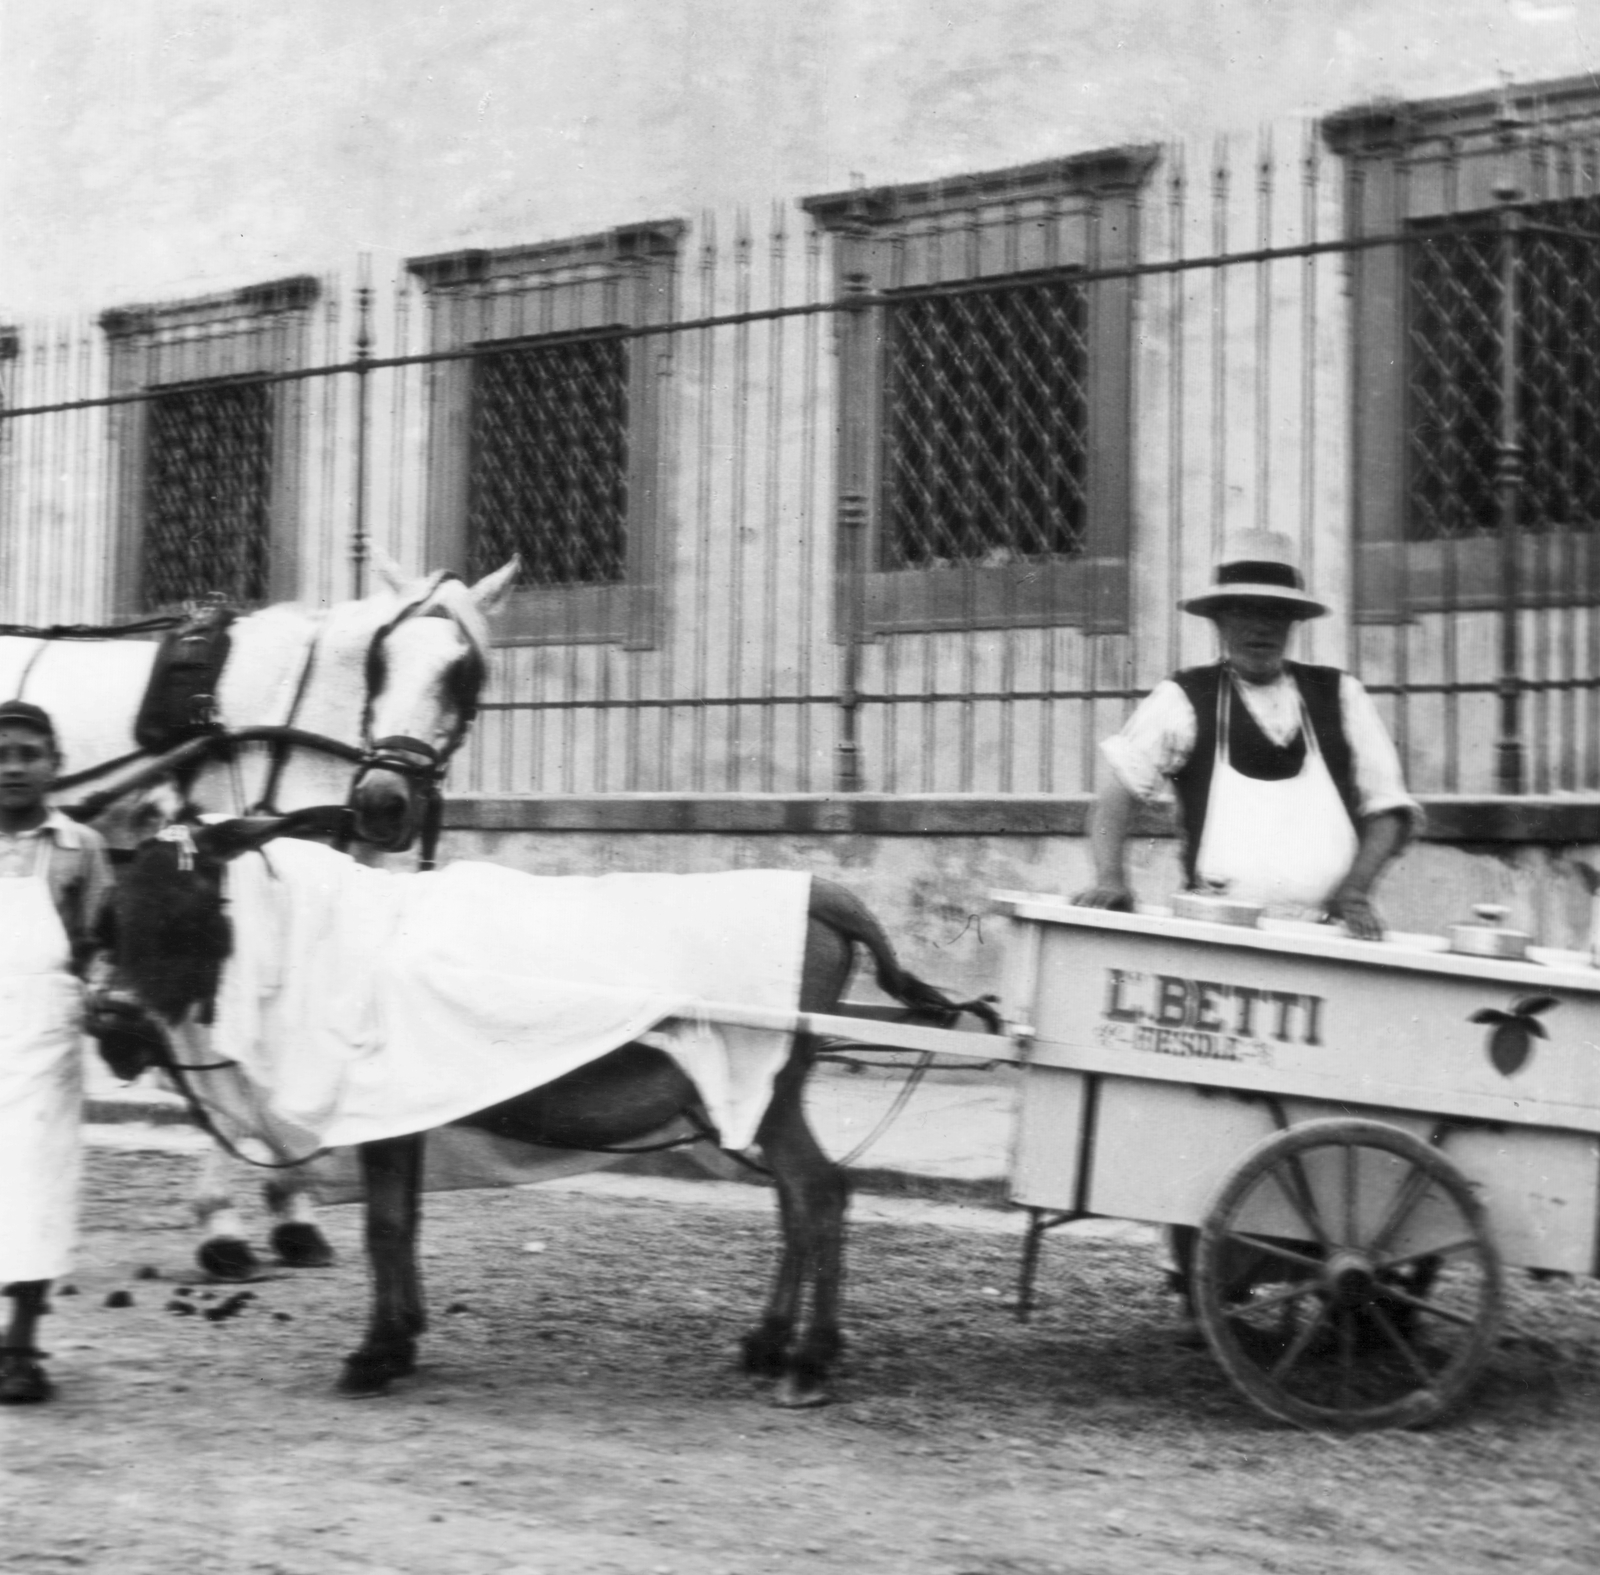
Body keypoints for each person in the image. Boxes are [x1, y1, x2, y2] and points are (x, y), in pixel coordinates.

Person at [1075, 531, 1421, 935]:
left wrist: (1355, 892)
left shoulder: (1341, 694)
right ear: (1219, 619)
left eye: (1275, 613)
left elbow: (1388, 811)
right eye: (1245, 612)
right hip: (1216, 930)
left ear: (1293, 621)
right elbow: (1116, 797)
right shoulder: (1185, 696)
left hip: (1326, 934)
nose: (1261, 627)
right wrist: (1110, 880)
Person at [0, 699, 115, 1404]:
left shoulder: (80, 848)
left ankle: (20, 1344)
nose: (12, 765)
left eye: (27, 753)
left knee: (36, 1185)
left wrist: (99, 989)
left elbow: (101, 941)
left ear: (55, 763)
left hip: (43, 1034)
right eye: (1, 750)